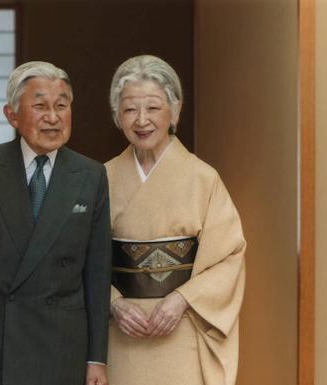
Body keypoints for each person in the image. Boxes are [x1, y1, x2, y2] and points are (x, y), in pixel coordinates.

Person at [0, 61, 111, 385]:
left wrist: (97, 358)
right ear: (12, 115)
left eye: (62, 106)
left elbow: (98, 275)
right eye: (40, 106)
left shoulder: (91, 175)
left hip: (62, 343)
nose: (53, 117)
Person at [105, 55, 246, 385]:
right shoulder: (102, 178)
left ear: (175, 110)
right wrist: (113, 303)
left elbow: (229, 257)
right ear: (116, 116)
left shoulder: (203, 178)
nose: (142, 120)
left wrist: (183, 299)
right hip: (123, 332)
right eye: (129, 109)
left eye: (153, 108)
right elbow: (79, 258)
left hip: (182, 328)